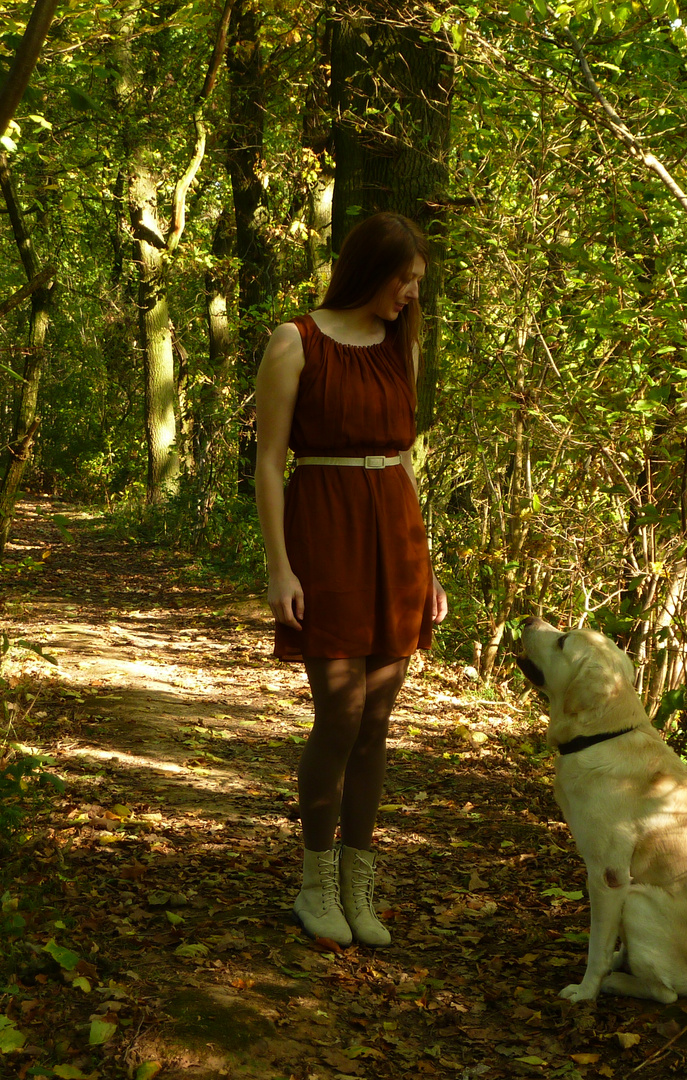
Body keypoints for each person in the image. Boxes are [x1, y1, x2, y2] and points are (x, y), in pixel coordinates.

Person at [253, 211, 449, 947]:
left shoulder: (402, 343)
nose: (410, 294)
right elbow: (270, 463)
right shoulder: (294, 340)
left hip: (394, 539)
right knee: (339, 716)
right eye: (404, 280)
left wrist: (426, 567)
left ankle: (358, 886)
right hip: (326, 532)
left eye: (417, 284)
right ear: (372, 269)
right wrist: (280, 566)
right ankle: (315, 881)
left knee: (377, 725)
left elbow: (402, 459)